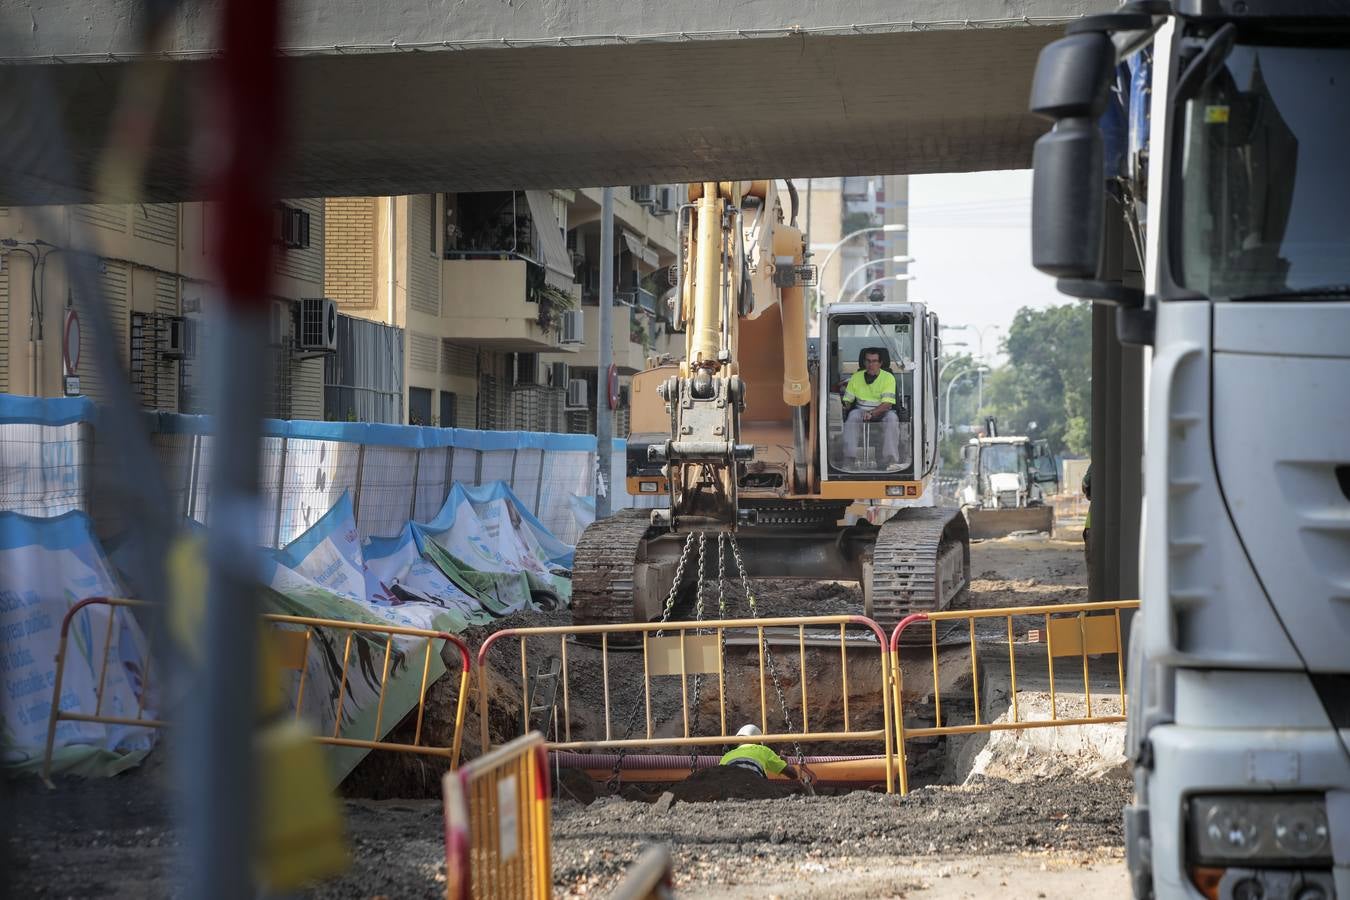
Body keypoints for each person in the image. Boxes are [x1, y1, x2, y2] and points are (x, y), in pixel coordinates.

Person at [841, 348, 900, 468]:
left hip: (883, 410)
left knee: (892, 419)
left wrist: (872, 413)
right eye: (868, 361)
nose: (871, 364)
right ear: (864, 362)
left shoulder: (888, 378)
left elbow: (887, 404)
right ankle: (849, 459)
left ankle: (890, 460)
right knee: (852, 417)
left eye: (874, 361)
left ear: (880, 363)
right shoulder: (856, 377)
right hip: (860, 410)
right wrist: (841, 407)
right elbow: (847, 401)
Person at [719, 724, 800, 780]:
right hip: (753, 787)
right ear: (759, 743)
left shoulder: (726, 756)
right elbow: (793, 774)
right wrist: (785, 763)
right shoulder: (763, 750)